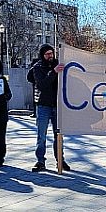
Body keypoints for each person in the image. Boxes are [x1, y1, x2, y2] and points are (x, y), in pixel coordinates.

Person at [30, 44, 69, 172]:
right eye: (47, 54)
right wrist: (53, 72)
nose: (50, 56)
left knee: (58, 135)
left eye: (51, 53)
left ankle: (60, 160)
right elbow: (42, 85)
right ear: (42, 55)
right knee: (42, 135)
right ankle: (40, 161)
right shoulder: (38, 67)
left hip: (58, 106)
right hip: (43, 106)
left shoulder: (59, 64)